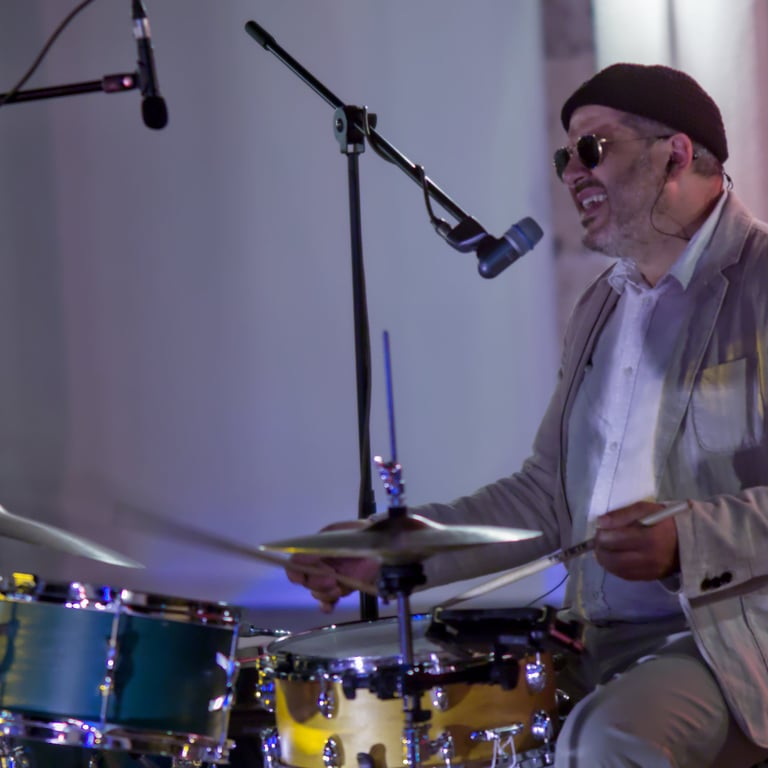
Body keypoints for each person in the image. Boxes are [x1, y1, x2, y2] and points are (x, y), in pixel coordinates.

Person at [286, 63, 768, 768]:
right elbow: (546, 496)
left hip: (731, 640)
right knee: (432, 723)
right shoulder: (602, 305)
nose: (571, 173)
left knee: (608, 738)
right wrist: (394, 555)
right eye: (563, 157)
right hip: (590, 639)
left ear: (676, 153)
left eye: (592, 149)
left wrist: (687, 540)